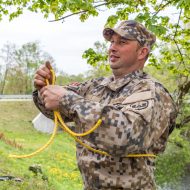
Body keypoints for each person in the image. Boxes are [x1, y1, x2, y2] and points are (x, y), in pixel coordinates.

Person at [33, 20, 176, 190]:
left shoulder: (153, 91)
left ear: (142, 52)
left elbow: (126, 136)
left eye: (122, 42)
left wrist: (66, 100)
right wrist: (44, 88)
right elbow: (56, 112)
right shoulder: (96, 86)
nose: (112, 48)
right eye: (112, 42)